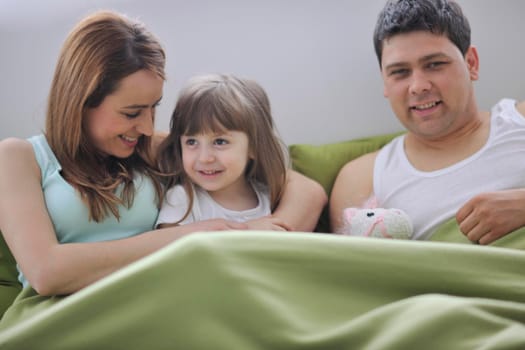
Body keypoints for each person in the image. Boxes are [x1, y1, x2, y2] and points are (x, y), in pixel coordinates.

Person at [0, 10, 326, 298]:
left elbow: (306, 190)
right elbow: (46, 272)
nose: (145, 126)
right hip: (58, 313)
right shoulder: (18, 158)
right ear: (80, 102)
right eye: (131, 112)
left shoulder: (150, 148)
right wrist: (193, 235)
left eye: (153, 108)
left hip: (153, 299)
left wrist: (271, 235)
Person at [330, 0, 525, 245]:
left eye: (434, 64)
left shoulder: (519, 120)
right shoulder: (362, 176)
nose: (418, 86)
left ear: (471, 64)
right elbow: (352, 273)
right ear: (385, 82)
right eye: (400, 72)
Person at [155, 73, 290, 230]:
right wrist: (248, 231)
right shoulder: (182, 200)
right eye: (191, 142)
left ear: (253, 146)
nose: (204, 158)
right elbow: (173, 251)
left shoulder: (269, 195)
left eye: (220, 142)